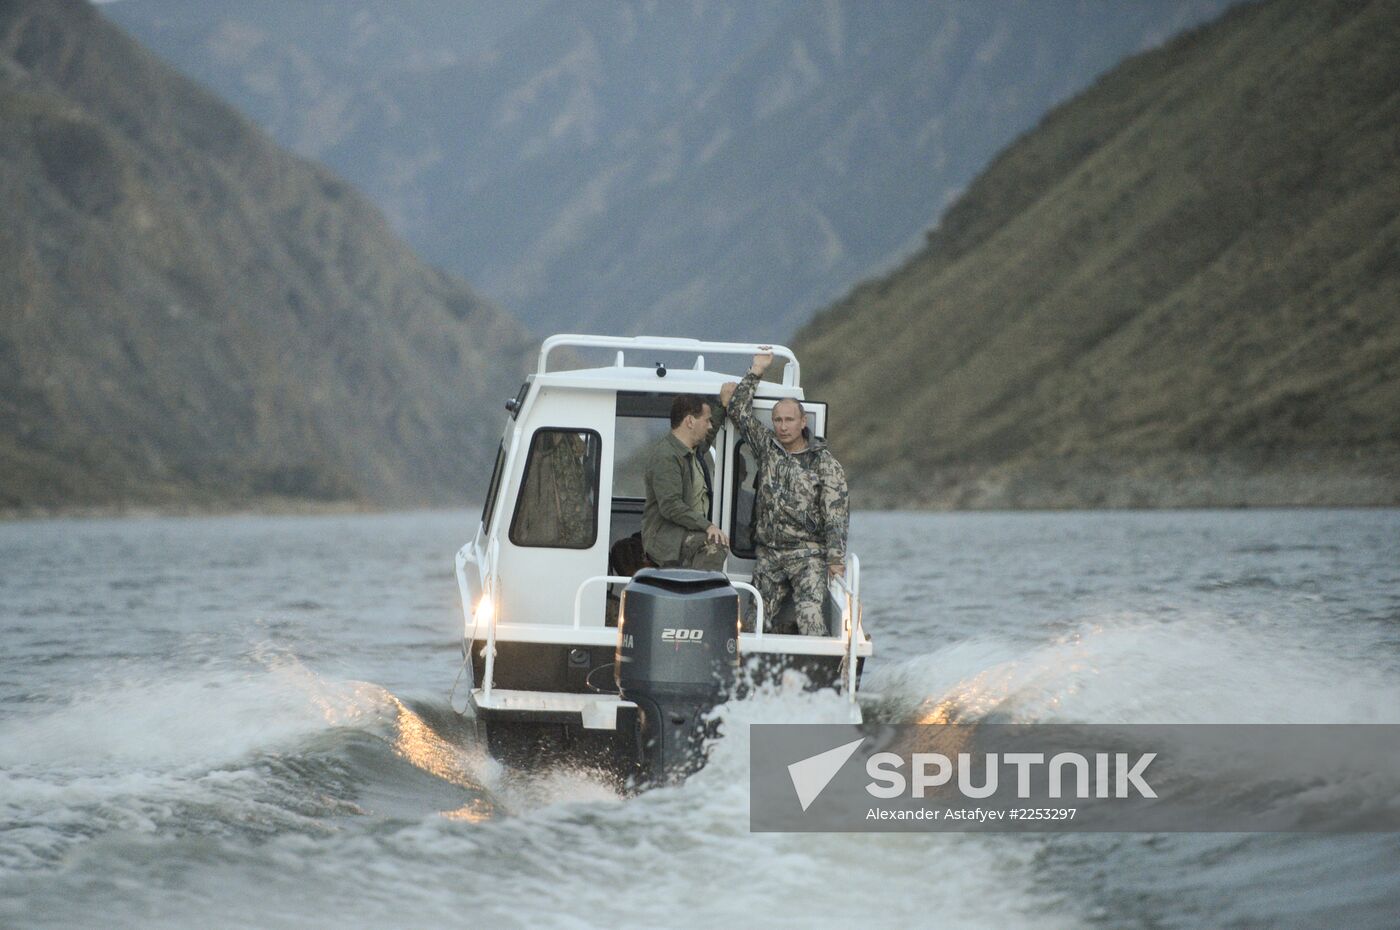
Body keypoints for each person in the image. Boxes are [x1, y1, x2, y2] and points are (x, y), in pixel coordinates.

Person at [730, 350, 849, 635]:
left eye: (789, 420)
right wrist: (756, 371)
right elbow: (737, 410)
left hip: (807, 555)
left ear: (803, 422)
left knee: (810, 618)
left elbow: (835, 514)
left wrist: (835, 559)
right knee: (755, 621)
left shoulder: (824, 463)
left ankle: (819, 672)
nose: (783, 426)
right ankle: (752, 673)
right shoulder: (766, 448)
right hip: (769, 553)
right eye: (778, 420)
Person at [641, 387, 737, 571]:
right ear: (690, 421)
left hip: (686, 533)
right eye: (706, 421)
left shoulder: (693, 451)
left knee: (714, 541)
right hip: (666, 538)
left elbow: (710, 433)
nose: (709, 425)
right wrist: (707, 526)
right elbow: (670, 506)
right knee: (715, 546)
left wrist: (722, 405)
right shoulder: (667, 456)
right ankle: (699, 595)